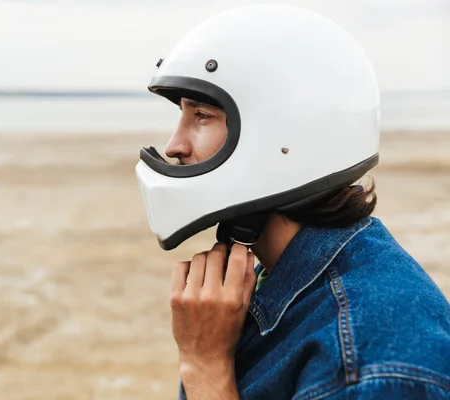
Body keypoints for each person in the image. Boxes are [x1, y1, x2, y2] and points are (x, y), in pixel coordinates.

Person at [134, 5, 450, 399]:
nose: (174, 146)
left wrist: (204, 366)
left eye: (201, 115)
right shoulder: (281, 282)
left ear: (284, 132)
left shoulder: (372, 360)